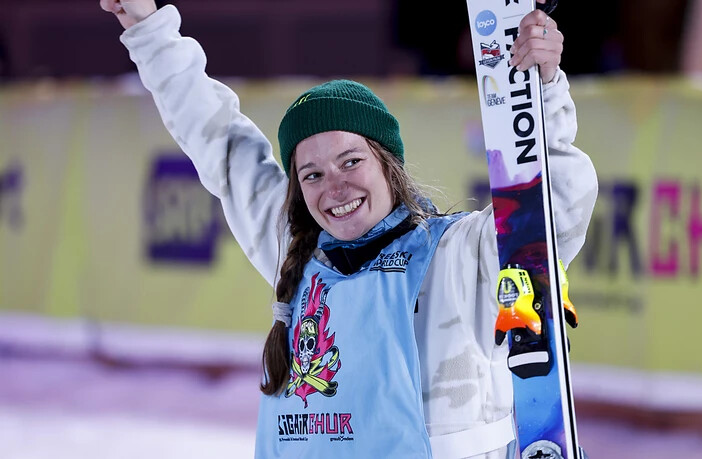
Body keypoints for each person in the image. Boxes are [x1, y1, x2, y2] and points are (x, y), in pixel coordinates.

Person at [100, 0, 598, 457]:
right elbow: (217, 137)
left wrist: (542, 90)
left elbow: (551, 208)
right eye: (312, 174)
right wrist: (148, 27)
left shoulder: (456, 257)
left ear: (388, 165)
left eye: (350, 161)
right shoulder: (299, 255)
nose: (333, 188)